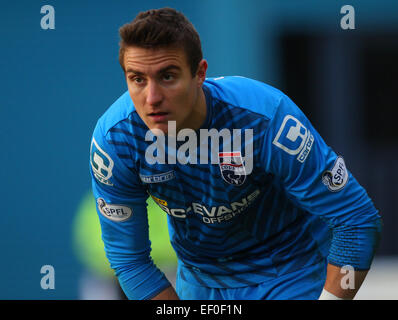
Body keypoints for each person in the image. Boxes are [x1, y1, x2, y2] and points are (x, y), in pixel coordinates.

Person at [89, 7, 382, 300]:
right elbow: (130, 259)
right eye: (137, 79)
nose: (152, 99)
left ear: (200, 73)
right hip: (202, 280)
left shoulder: (264, 119)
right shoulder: (116, 141)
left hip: (290, 271)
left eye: (168, 76)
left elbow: (356, 219)